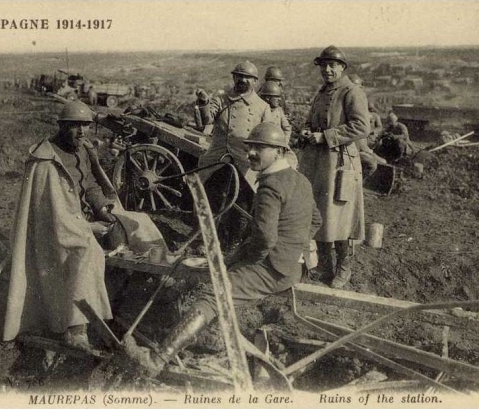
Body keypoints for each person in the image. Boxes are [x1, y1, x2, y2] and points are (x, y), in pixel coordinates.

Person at [123, 122, 321, 377]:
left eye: (259, 148)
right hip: (294, 266)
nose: (251, 153)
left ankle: (157, 358)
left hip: (273, 269)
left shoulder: (270, 186)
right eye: (250, 147)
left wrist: (253, 260)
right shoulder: (300, 180)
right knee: (224, 273)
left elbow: (264, 239)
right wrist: (294, 246)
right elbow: (315, 220)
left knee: (212, 296)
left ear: (278, 151)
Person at [3, 101, 121, 351]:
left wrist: (102, 209)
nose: (81, 133)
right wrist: (90, 228)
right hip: (53, 230)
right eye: (74, 127)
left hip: (78, 220)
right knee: (85, 249)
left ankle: (123, 313)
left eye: (85, 126)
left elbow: (89, 184)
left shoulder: (82, 151)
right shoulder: (45, 161)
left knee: (132, 227)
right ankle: (75, 328)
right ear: (61, 126)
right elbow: (53, 217)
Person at [298, 45, 369, 289]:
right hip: (318, 162)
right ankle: (325, 265)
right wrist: (307, 131)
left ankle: (344, 267)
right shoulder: (322, 92)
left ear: (342, 67)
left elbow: (361, 127)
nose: (327, 70)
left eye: (332, 65)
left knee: (341, 215)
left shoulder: (352, 91)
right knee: (320, 212)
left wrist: (326, 136)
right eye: (324, 66)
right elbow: (311, 119)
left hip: (340, 163)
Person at [194, 61, 273, 250]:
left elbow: (268, 136)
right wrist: (204, 102)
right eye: (239, 76)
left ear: (254, 81)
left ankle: (233, 245)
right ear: (233, 77)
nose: (242, 80)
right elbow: (206, 120)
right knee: (211, 199)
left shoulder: (262, 107)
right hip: (219, 158)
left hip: (246, 161)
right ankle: (205, 241)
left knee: (242, 204)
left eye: (247, 77)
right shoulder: (222, 99)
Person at [259, 80, 298, 169]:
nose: (279, 99)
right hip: (263, 147)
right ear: (268, 98)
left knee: (291, 162)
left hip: (279, 145)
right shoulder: (258, 110)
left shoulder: (279, 111)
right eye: (276, 97)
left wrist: (284, 142)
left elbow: (287, 128)